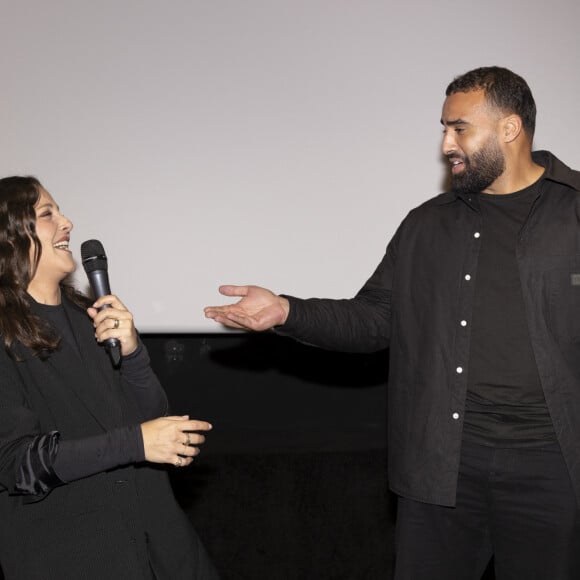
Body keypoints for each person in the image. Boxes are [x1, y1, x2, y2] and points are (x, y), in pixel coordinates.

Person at [204, 66, 580, 580]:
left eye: (459, 128)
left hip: (551, 468)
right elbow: (374, 318)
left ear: (510, 129)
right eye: (444, 128)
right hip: (444, 464)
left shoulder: (574, 213)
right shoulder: (426, 224)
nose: (446, 142)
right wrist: (287, 311)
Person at [0, 176, 220, 580]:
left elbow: (151, 414)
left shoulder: (92, 319)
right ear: (10, 235)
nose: (67, 222)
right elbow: (18, 465)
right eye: (48, 214)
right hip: (76, 557)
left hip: (164, 551)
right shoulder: (5, 335)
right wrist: (136, 442)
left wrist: (133, 353)